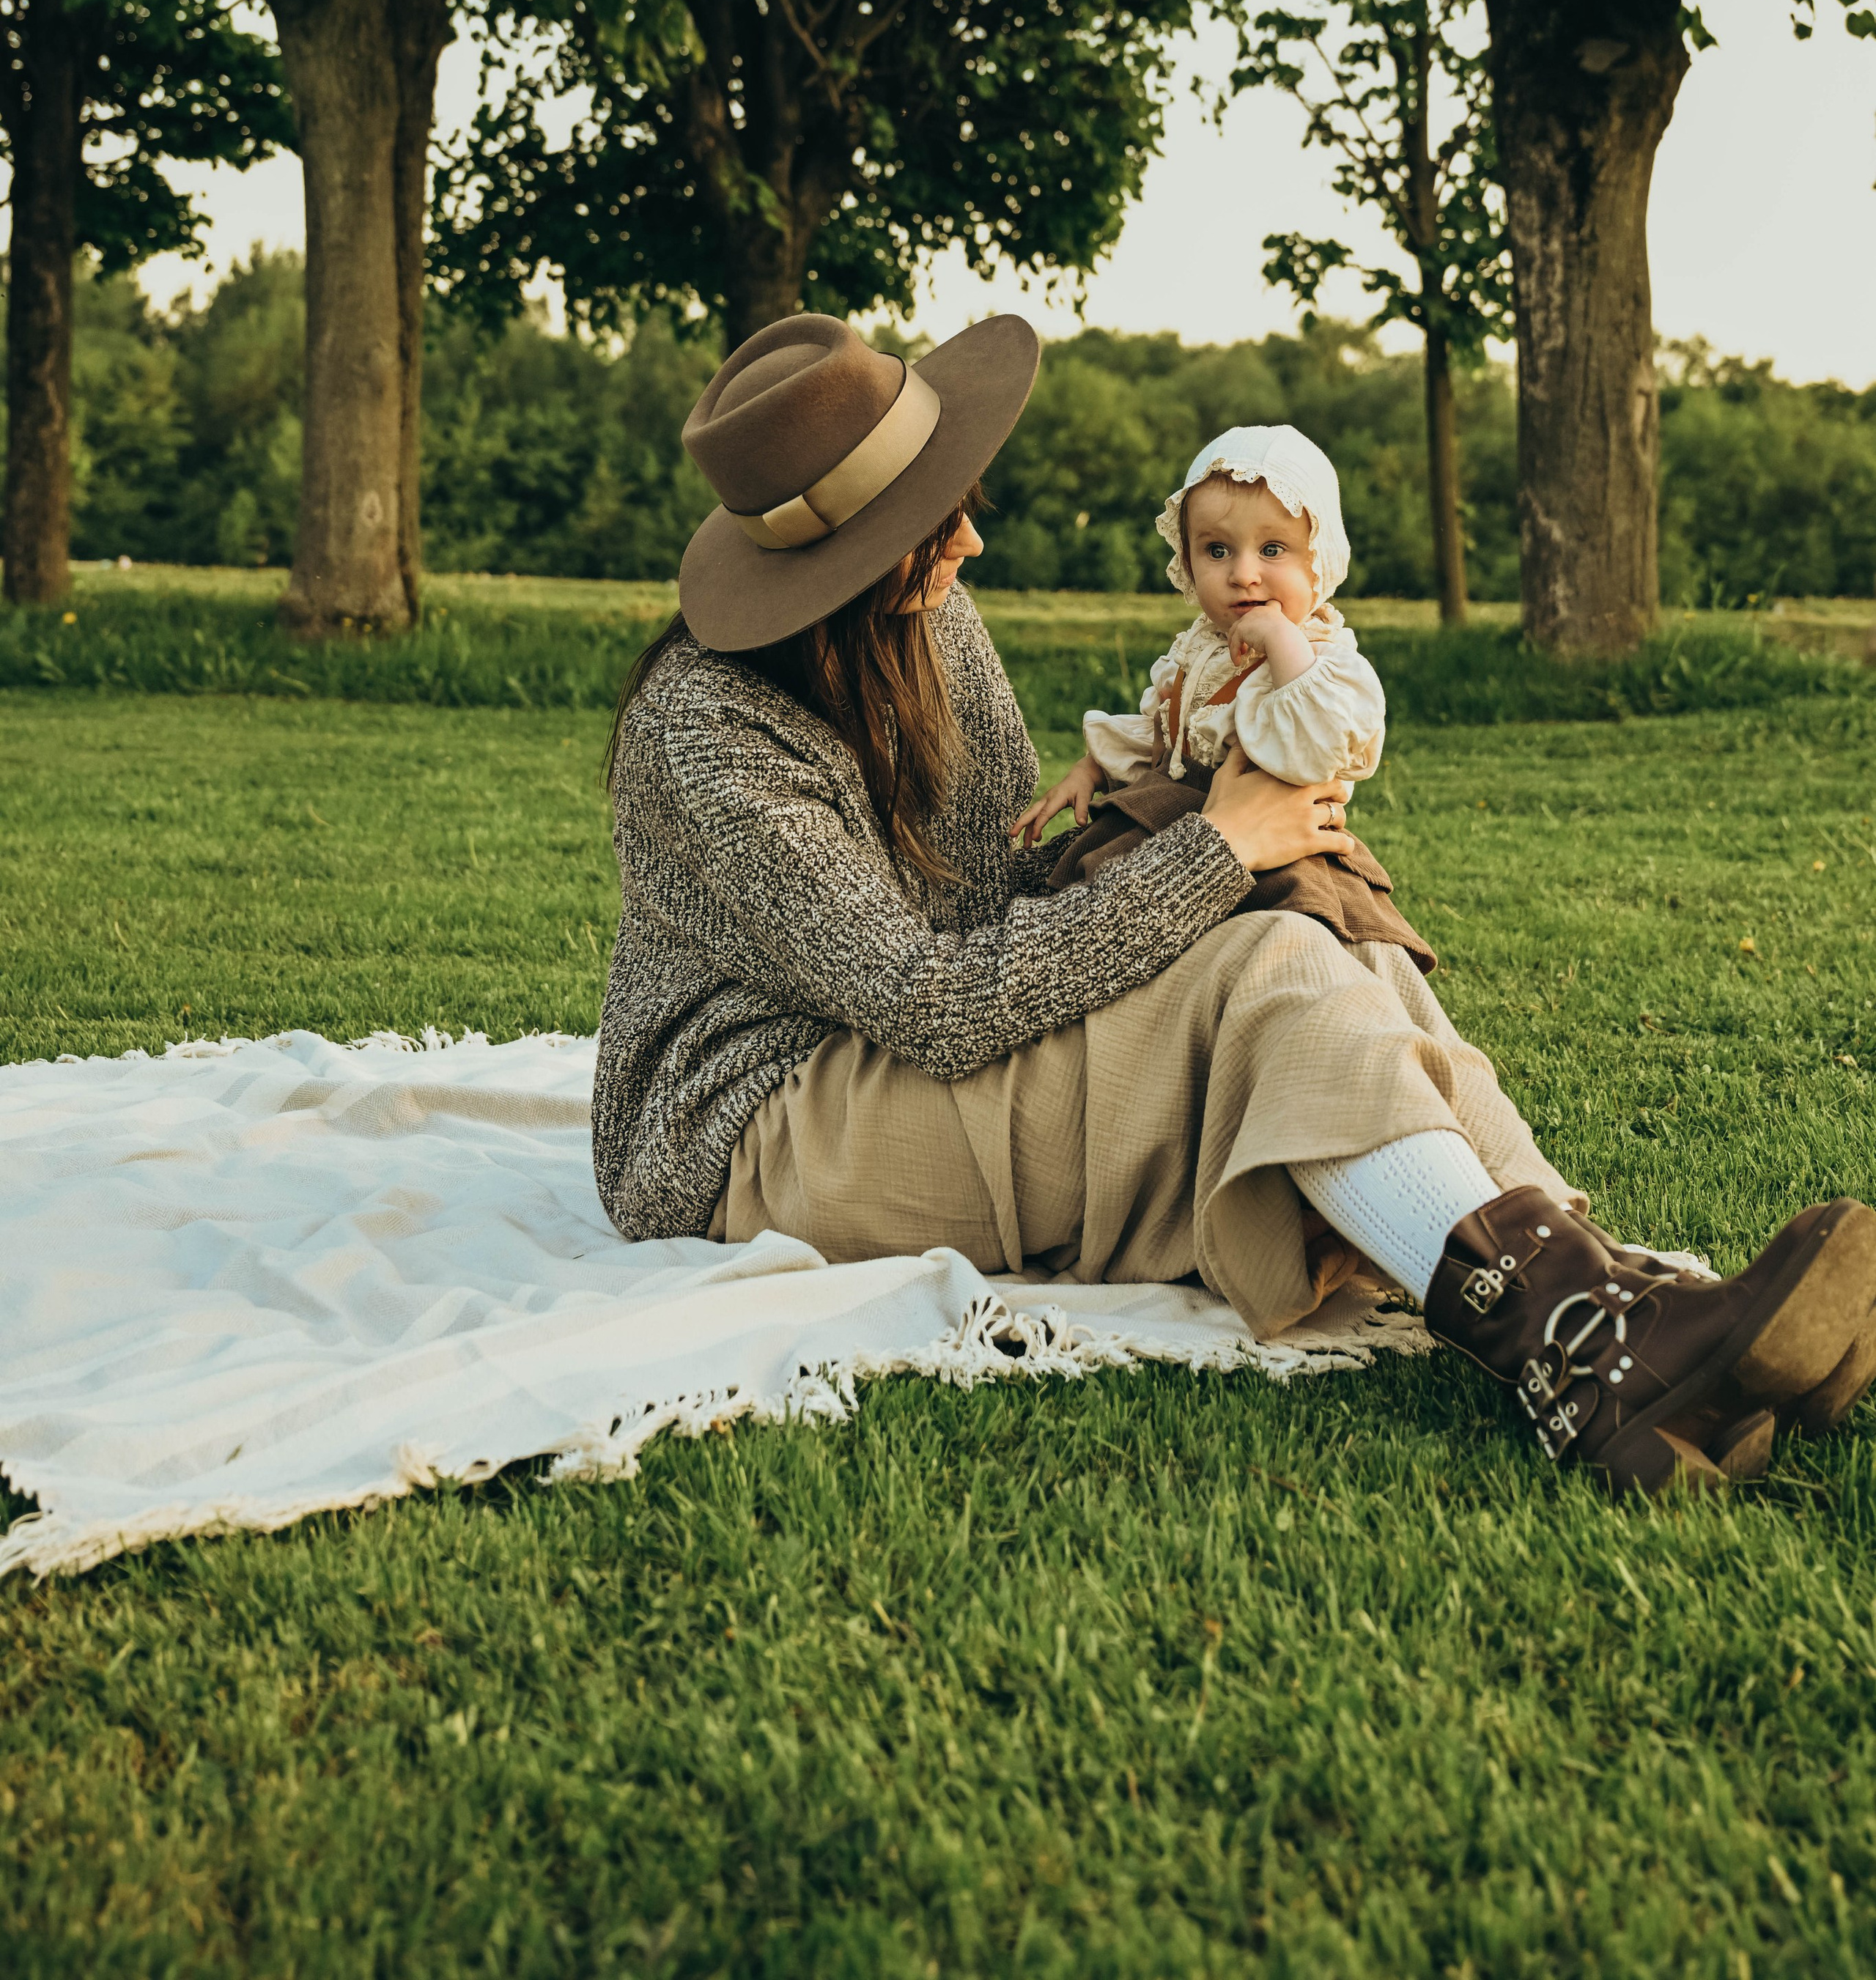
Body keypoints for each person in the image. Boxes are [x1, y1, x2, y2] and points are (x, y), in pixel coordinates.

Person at [592, 311, 1876, 1500]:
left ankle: (1606, 1297)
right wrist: (1212, 849)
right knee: (1256, 955)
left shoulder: (931, 621)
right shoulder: (710, 730)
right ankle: (1589, 1347)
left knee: (1321, 934)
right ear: (855, 558)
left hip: (915, 1024)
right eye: (942, 518)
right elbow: (928, 1001)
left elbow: (987, 901)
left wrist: (1217, 832)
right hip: (758, 1131)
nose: (972, 538)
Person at [1013, 423, 1430, 970]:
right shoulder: (1197, 649)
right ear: (1187, 561)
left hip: (1276, 854)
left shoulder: (1322, 658)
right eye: (1217, 550)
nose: (1244, 575)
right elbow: (1171, 731)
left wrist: (1280, 639)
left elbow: (1324, 743)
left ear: (1319, 560)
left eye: (1273, 549)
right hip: (1174, 836)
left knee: (1284, 954)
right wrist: (1093, 767)